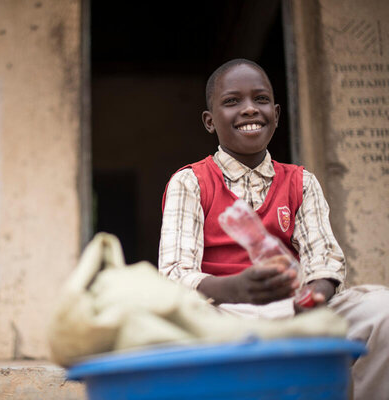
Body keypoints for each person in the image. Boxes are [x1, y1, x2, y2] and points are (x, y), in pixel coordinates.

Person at [159, 58, 389, 399]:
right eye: (232, 101)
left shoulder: (300, 182)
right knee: (162, 330)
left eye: (261, 99)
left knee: (381, 312)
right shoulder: (191, 182)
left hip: (297, 312)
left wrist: (317, 294)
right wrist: (235, 289)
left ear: (277, 115)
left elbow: (324, 260)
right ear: (210, 121)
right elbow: (175, 273)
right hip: (221, 314)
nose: (250, 110)